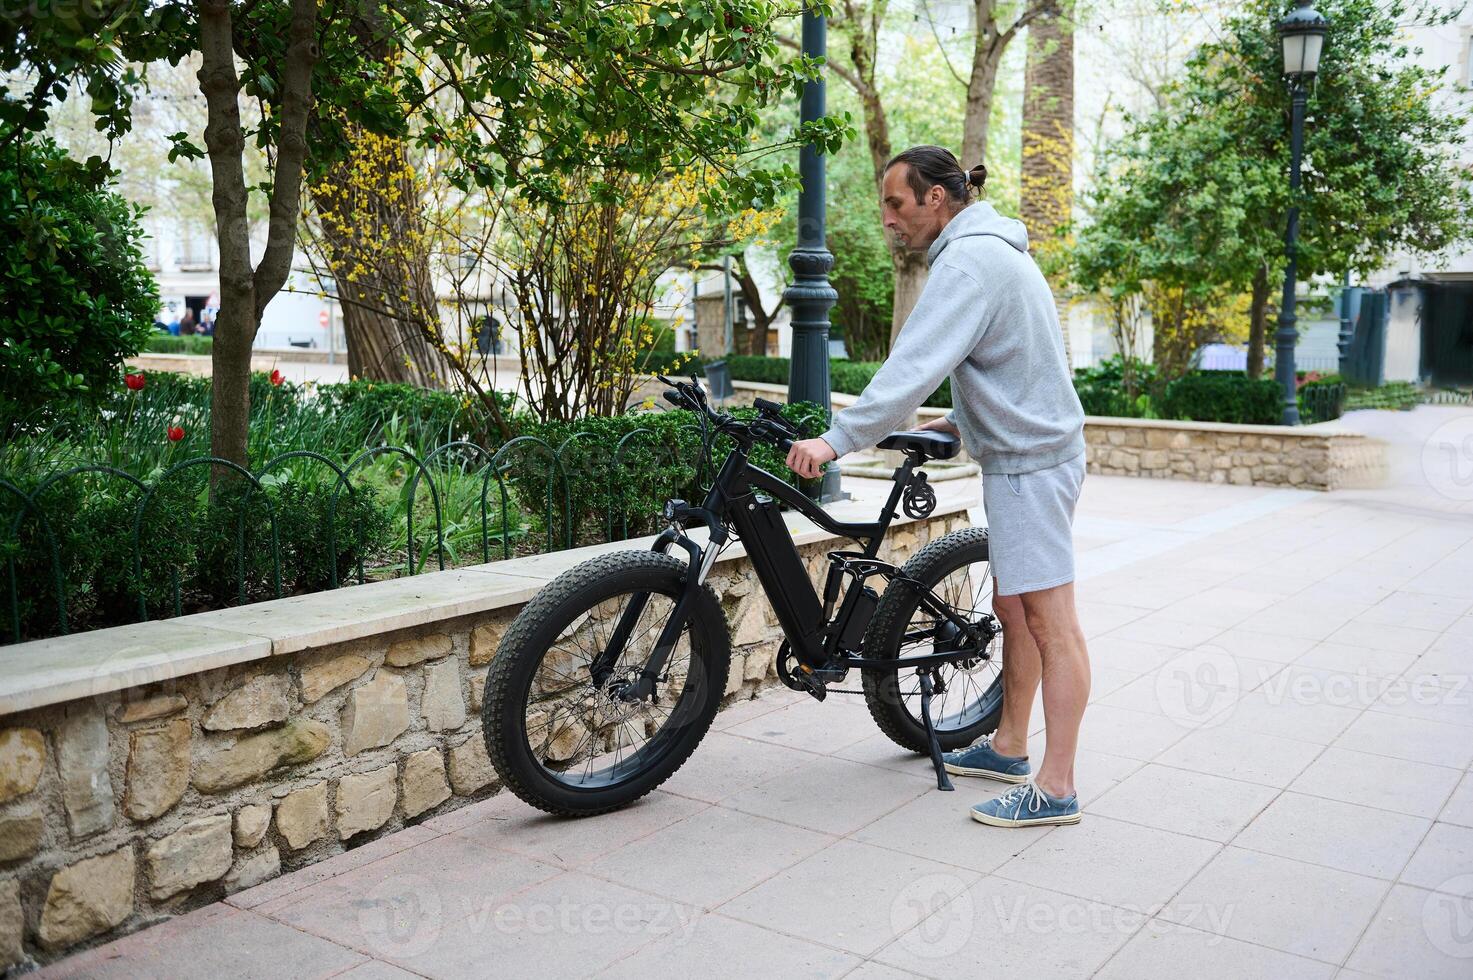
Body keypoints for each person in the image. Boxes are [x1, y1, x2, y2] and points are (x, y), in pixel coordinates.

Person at [784, 145, 1090, 829]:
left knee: (1051, 622)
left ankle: (1058, 787)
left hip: (1032, 466)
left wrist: (834, 440)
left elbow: (909, 368)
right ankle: (1010, 747)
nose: (887, 219)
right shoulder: (991, 251)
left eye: (896, 203)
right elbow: (1022, 358)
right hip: (1027, 455)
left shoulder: (969, 262)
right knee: (1015, 612)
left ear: (935, 199)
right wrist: (961, 419)